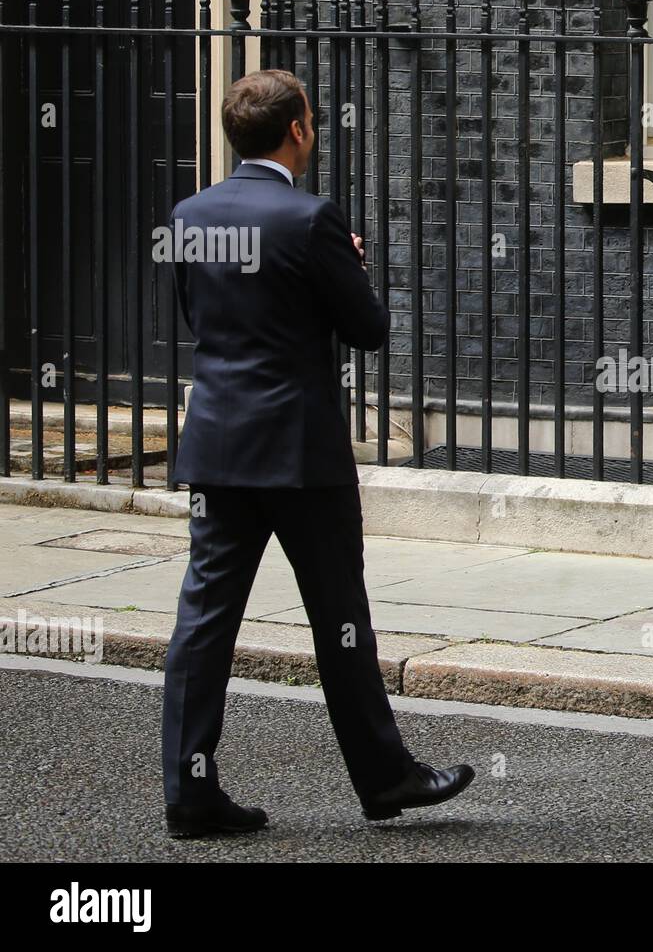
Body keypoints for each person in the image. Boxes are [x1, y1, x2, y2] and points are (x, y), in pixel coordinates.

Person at [161, 68, 474, 837]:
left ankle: (191, 791)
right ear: (297, 130)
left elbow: (201, 315)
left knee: (204, 621)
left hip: (216, 447)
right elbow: (366, 328)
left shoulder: (190, 214)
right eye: (313, 119)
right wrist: (348, 264)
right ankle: (386, 778)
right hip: (299, 454)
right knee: (339, 620)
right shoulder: (309, 219)